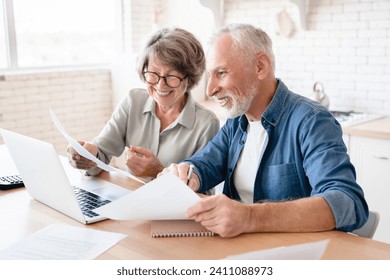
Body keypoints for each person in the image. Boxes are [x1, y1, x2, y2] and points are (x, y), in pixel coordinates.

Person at [160, 23, 368, 237]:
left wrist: (249, 217)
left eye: (221, 73)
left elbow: (348, 203)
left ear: (260, 66)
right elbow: (205, 164)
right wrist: (187, 172)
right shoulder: (237, 121)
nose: (210, 89)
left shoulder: (311, 121)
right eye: (210, 75)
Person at [67, 27, 220, 180]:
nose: (160, 86)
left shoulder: (206, 123)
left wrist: (158, 172)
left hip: (174, 204)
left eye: (172, 76)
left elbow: (203, 195)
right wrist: (87, 157)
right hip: (130, 197)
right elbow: (100, 154)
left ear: (189, 77)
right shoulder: (133, 101)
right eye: (153, 74)